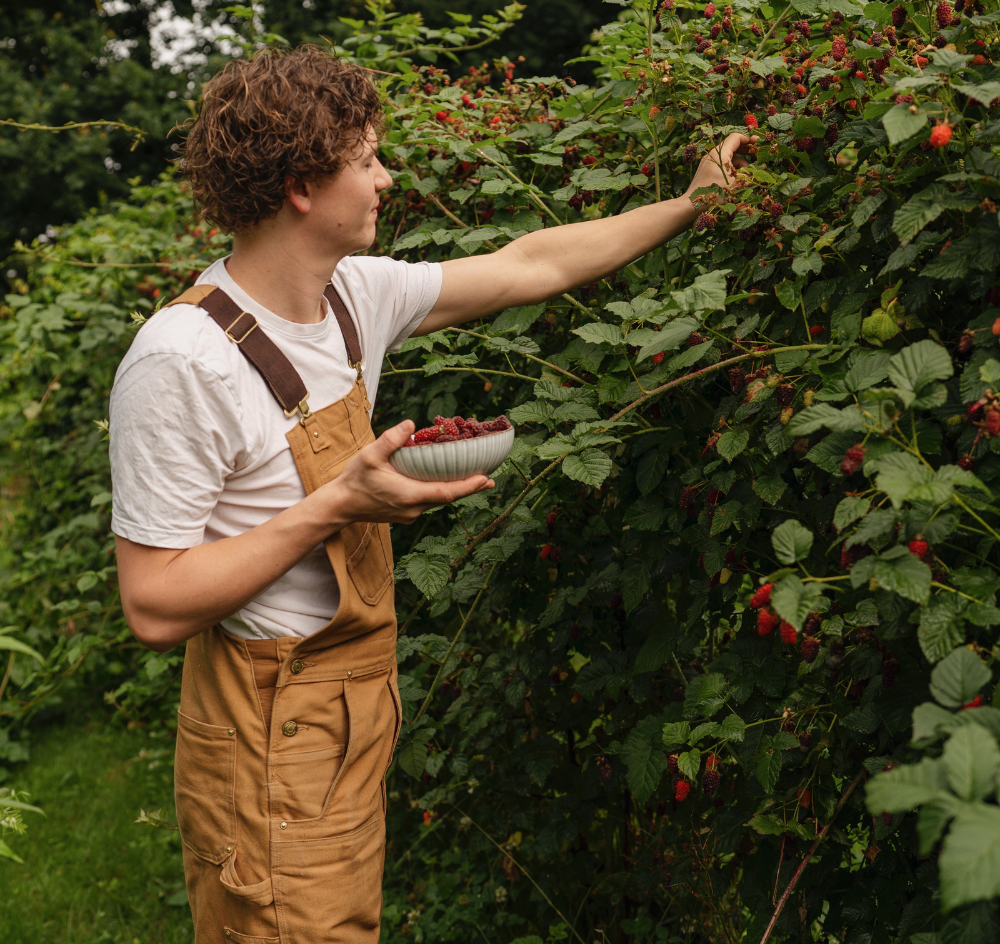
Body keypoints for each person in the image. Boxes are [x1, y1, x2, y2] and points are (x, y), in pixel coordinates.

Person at [110, 46, 747, 943]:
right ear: (301, 186)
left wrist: (689, 204)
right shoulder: (183, 360)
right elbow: (153, 602)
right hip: (269, 731)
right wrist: (340, 503)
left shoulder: (350, 297)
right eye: (367, 159)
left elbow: (531, 265)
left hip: (348, 712)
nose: (387, 178)